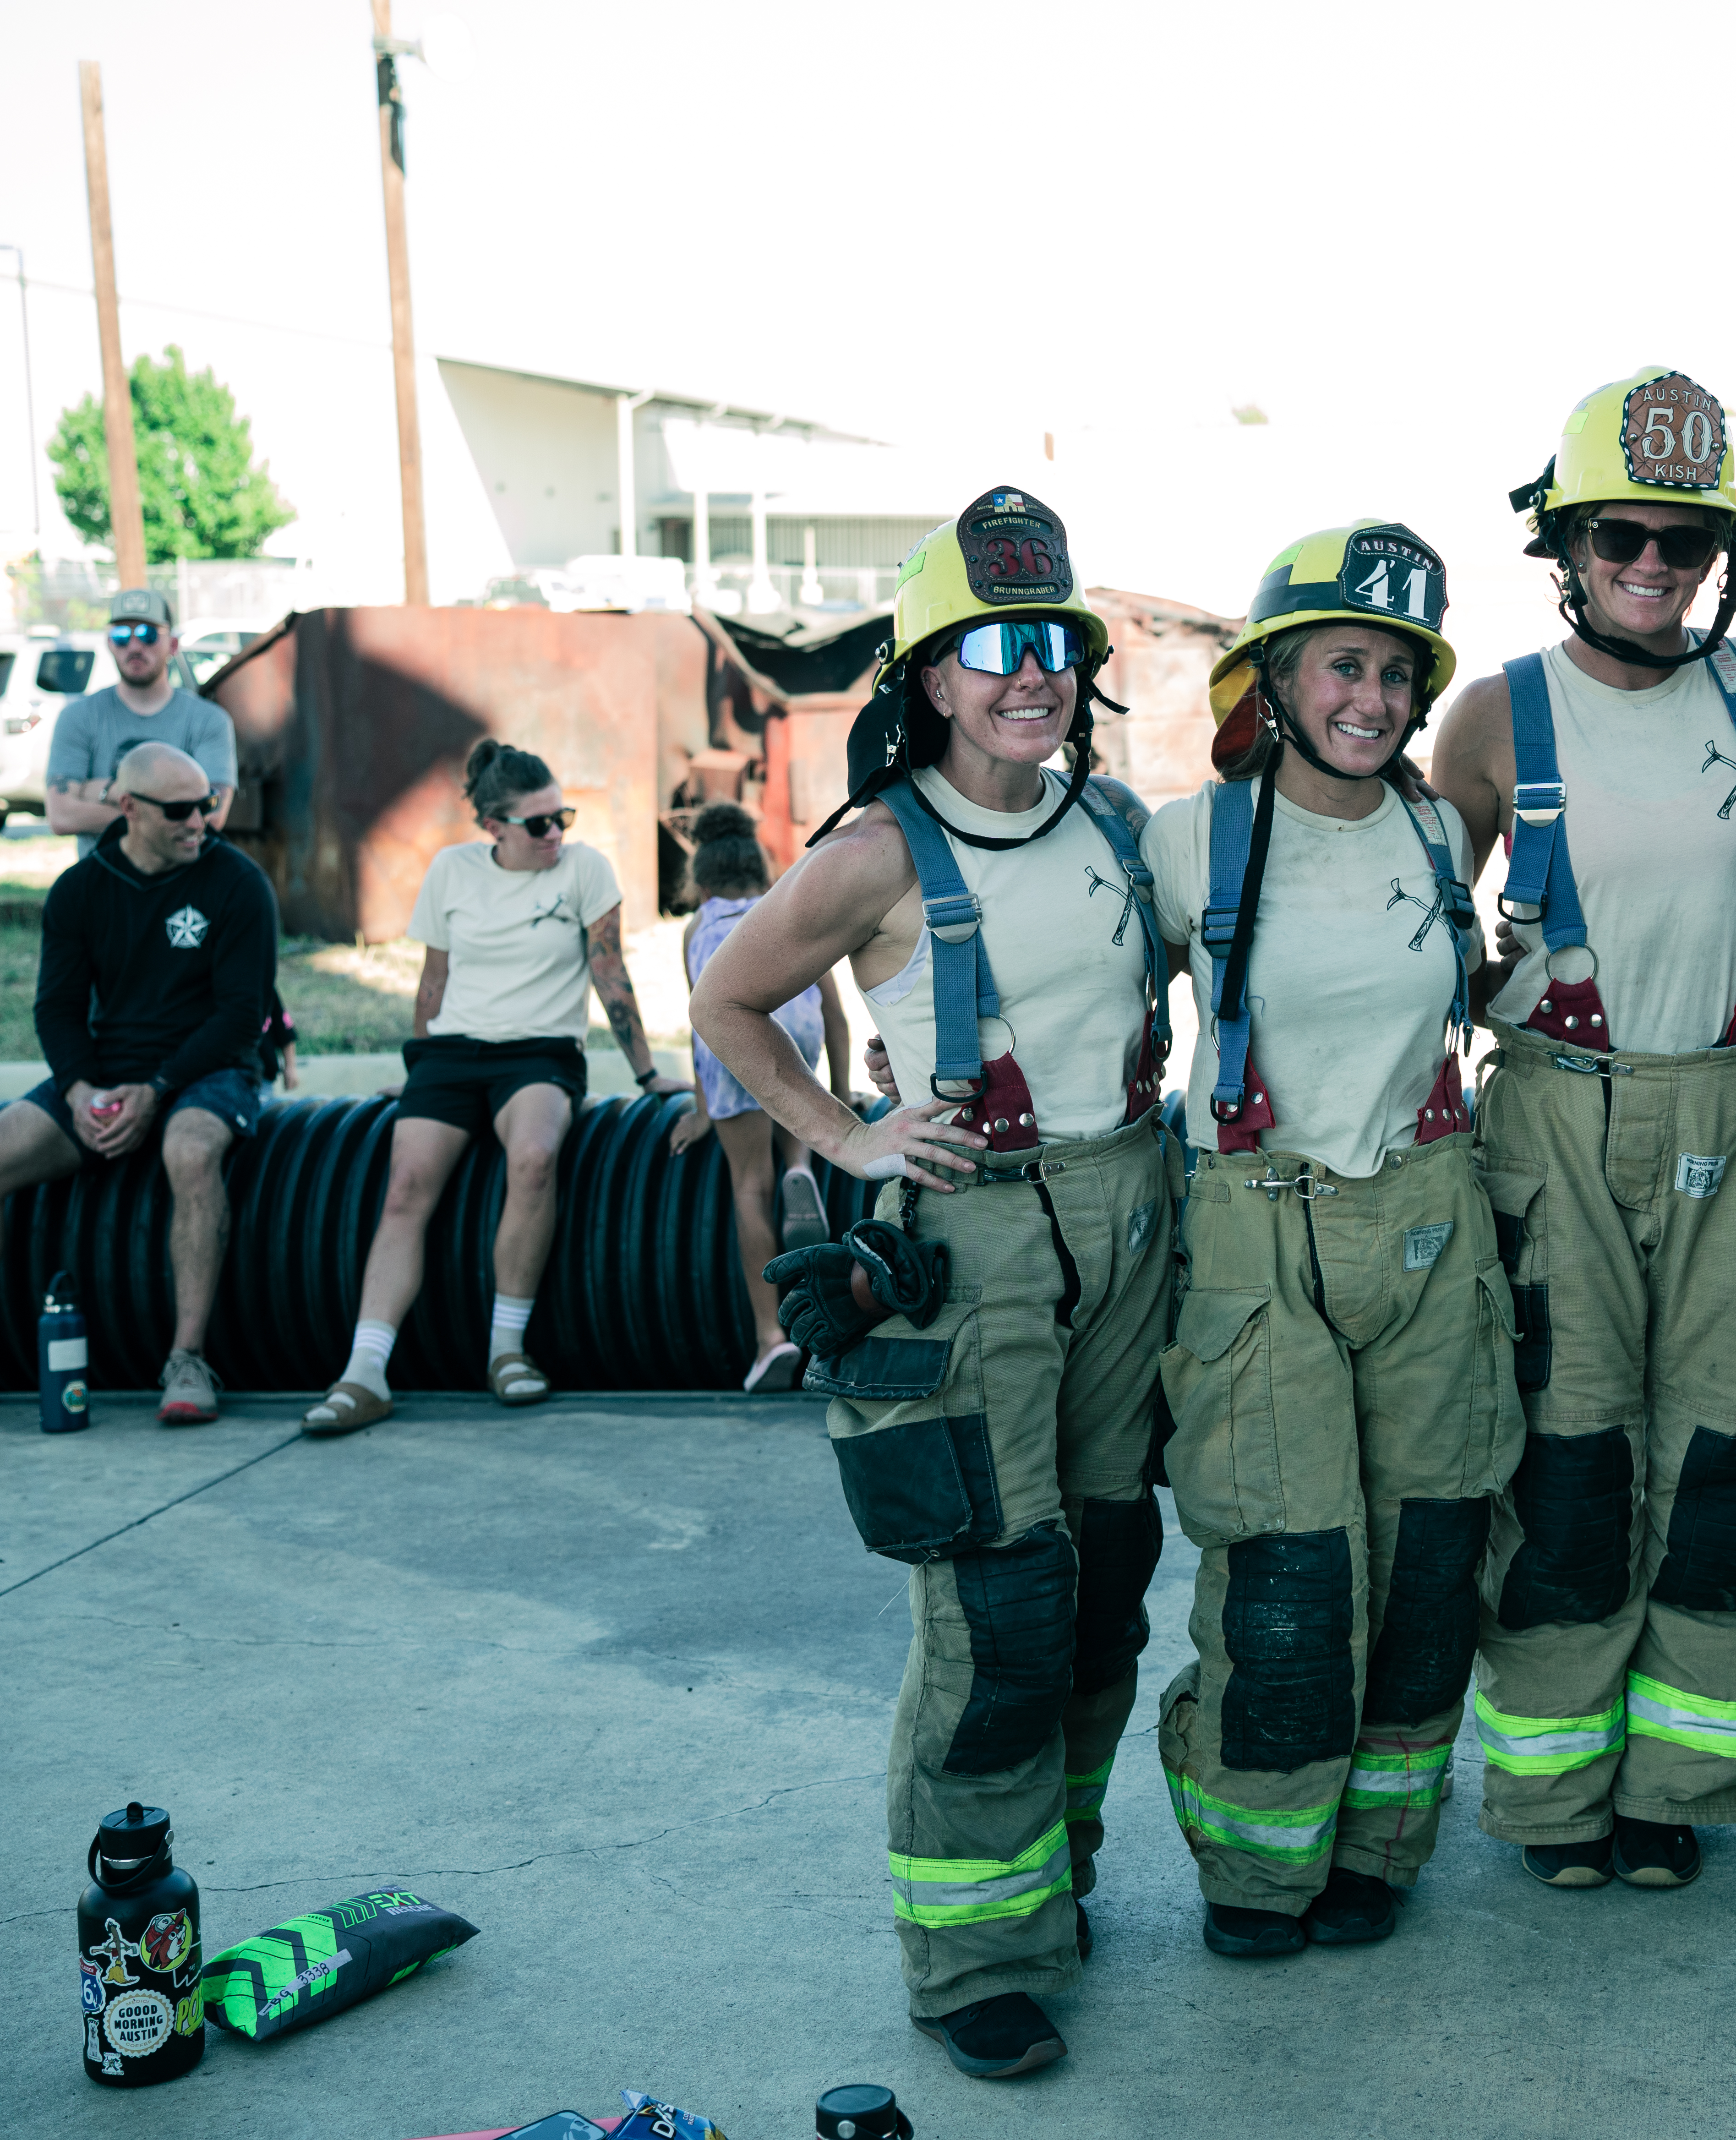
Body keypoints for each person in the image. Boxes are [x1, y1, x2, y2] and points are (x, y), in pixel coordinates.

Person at [690, 488, 1174, 2083]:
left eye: (1051, 647)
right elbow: (729, 1001)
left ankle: (1056, 1880)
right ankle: (969, 1954)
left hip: (1124, 1215)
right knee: (995, 1595)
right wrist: (849, 1133)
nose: (1030, 676)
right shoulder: (879, 848)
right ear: (928, 678)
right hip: (968, 1242)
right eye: (990, 651)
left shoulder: (1105, 822)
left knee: (1102, 1575)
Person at [1424, 369, 1736, 1893]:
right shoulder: (1486, 716)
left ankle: (1677, 1794)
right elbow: (1413, 920)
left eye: (1682, 542)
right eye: (1618, 538)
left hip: (1728, 1098)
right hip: (1555, 1119)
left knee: (1720, 1451)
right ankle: (1551, 1800)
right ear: (1562, 545)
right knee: (1573, 1453)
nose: (1651, 566)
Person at [1139, 521, 1524, 1959]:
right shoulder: (1185, 843)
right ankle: (1254, 1869)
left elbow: (1465, 982)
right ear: (1277, 680)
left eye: (1391, 671)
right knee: (1290, 1581)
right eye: (1339, 665)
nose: (1367, 697)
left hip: (1429, 1222)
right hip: (1259, 1234)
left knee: (1430, 1564)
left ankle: (1376, 1850)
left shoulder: (1436, 833)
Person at [0, 743, 277, 1430]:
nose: (199, 822)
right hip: (105, 1071)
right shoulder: (81, 890)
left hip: (209, 1070)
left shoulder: (237, 884)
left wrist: (158, 1088)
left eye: (205, 806)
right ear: (128, 810)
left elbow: (242, 1017)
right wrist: (81, 1091)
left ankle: (188, 1359)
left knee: (192, 1151)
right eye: (179, 811)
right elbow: (56, 1009)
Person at [298, 739, 684, 1433]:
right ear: (493, 827)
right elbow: (433, 979)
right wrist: (418, 1072)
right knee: (406, 1184)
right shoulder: (452, 871)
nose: (556, 834)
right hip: (451, 1054)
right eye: (537, 824)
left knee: (534, 1158)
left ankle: (506, 1350)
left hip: (540, 1054)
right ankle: (364, 1372)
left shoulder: (584, 872)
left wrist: (649, 1073)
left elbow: (610, 974)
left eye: (561, 816)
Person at [667, 801, 851, 1392]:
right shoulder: (790, 907)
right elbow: (834, 1013)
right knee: (791, 1109)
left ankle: (769, 1338)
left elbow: (704, 1019)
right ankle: (800, 1165)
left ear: (702, 878)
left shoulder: (698, 929)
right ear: (759, 865)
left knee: (750, 1186)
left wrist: (702, 1109)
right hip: (796, 1029)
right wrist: (841, 1095)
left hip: (733, 1040)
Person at [44, 588, 234, 854]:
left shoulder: (208, 721)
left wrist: (102, 791)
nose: (134, 646)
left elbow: (211, 818)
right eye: (121, 635)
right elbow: (62, 817)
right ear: (109, 643)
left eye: (148, 634)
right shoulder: (78, 718)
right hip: (104, 882)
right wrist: (169, 813)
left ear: (174, 644)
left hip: (181, 884)